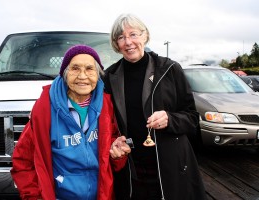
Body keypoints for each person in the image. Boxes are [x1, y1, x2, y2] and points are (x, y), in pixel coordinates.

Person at [103, 13, 207, 200]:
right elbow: (106, 124)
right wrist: (114, 143)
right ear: (116, 44)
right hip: (130, 168)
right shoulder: (110, 76)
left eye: (133, 34)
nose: (128, 42)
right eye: (121, 37)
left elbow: (192, 118)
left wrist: (170, 118)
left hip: (170, 167)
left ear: (145, 35)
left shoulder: (169, 69)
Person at [11, 44, 131, 200]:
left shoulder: (106, 105)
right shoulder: (45, 109)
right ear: (65, 74)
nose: (82, 76)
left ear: (97, 75)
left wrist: (117, 155)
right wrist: (34, 197)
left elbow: (111, 154)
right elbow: (22, 161)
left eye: (89, 69)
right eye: (75, 68)